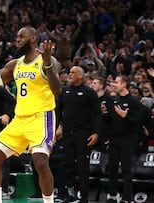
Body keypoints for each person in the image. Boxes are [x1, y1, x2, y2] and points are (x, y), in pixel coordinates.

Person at [0, 26, 62, 203]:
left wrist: (48, 64)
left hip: (41, 118)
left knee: (40, 162)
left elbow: (58, 91)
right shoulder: (15, 64)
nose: (17, 40)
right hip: (20, 120)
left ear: (33, 38)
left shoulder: (48, 60)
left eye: (21, 36)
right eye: (17, 37)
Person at [56, 66, 102, 203]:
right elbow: (58, 111)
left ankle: (84, 195)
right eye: (69, 72)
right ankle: (70, 193)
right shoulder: (65, 91)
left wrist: (96, 133)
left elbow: (97, 114)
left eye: (72, 72)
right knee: (68, 164)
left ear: (80, 76)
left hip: (83, 133)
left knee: (82, 165)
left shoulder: (89, 92)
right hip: (67, 133)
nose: (69, 74)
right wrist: (54, 130)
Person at [106, 75, 142, 203]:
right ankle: (112, 195)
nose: (114, 84)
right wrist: (104, 113)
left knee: (126, 169)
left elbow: (137, 122)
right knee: (112, 168)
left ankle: (127, 198)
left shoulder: (133, 102)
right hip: (114, 139)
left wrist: (125, 116)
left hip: (127, 139)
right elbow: (109, 121)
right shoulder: (112, 100)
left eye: (116, 82)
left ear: (124, 84)